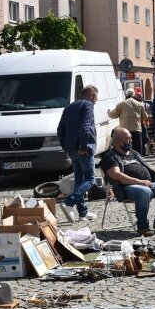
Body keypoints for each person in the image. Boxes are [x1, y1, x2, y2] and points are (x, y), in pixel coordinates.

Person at [101, 128, 155, 237]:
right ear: (118, 141)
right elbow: (117, 175)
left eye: (130, 137)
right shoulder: (110, 157)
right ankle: (143, 226)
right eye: (128, 138)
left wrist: (148, 180)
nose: (131, 140)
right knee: (144, 191)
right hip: (127, 188)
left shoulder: (133, 153)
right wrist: (140, 182)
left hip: (147, 184)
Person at [57, 84, 99, 222]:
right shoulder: (88, 105)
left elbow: (60, 128)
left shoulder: (69, 107)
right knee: (90, 179)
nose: (96, 101)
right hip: (83, 149)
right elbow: (85, 126)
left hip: (71, 149)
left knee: (79, 179)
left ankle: (83, 212)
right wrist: (83, 145)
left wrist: (65, 146)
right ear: (92, 95)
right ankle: (69, 203)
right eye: (96, 97)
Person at [108, 88, 148, 155]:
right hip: (137, 130)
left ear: (126, 95)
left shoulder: (121, 104)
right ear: (133, 95)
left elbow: (113, 115)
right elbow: (145, 117)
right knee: (137, 150)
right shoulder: (139, 104)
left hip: (125, 131)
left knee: (126, 150)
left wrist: (109, 112)